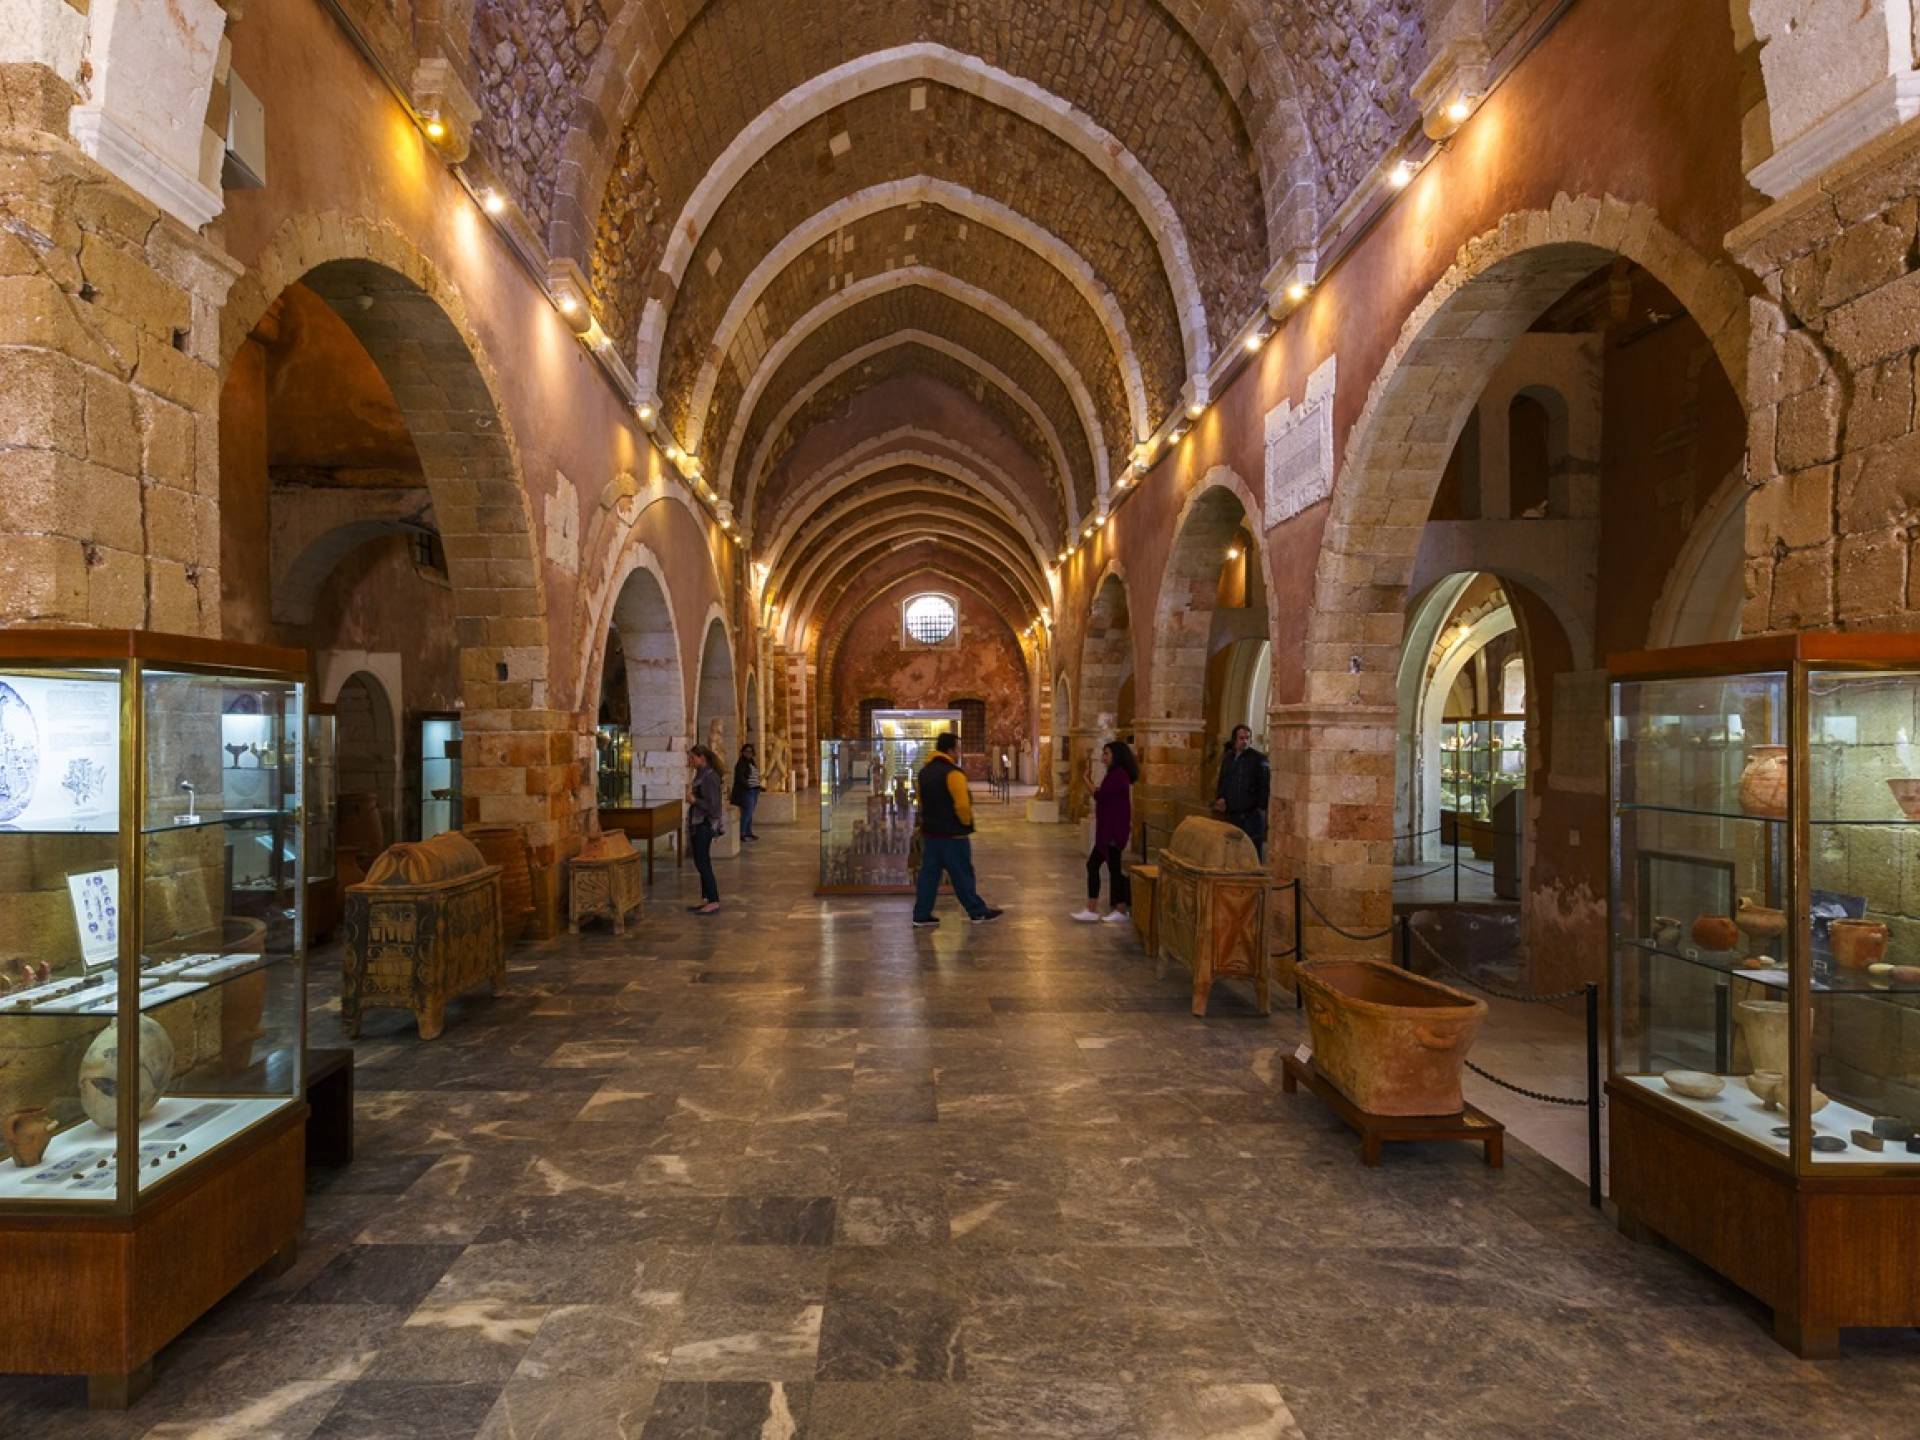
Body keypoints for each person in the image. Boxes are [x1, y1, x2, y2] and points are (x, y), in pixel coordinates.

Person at [911, 731, 1003, 928]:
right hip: (953, 835)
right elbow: (962, 805)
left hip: (931, 833)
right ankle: (977, 911)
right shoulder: (954, 773)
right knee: (962, 874)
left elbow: (920, 800)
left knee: (929, 876)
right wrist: (965, 822)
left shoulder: (924, 773)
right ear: (950, 750)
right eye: (958, 748)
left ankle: (921, 914)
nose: (959, 752)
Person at [1073, 740, 1138, 922]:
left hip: (1112, 832)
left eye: (1106, 754)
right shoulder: (1116, 775)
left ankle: (1098, 909)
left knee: (1098, 866)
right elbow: (1104, 795)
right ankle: (1116, 909)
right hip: (1110, 831)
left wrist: (1085, 779)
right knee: (1110, 868)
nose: (1103, 758)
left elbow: (1100, 795)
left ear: (1117, 755)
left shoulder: (1119, 776)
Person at [1213, 723, 1271, 859]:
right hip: (1232, 812)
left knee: (1252, 850)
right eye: (1241, 738)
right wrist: (1221, 797)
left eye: (1247, 738)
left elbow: (1265, 785)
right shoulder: (1228, 759)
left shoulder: (1258, 759)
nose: (1245, 741)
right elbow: (1223, 780)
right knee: (1233, 849)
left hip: (1251, 814)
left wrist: (1260, 807)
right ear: (1235, 740)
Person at [686, 745, 724, 914]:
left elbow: (713, 807)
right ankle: (706, 898)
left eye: (693, 758)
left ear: (702, 758)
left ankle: (714, 900)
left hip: (704, 824)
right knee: (700, 861)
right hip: (698, 824)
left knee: (703, 863)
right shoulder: (701, 774)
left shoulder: (710, 777)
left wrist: (695, 801)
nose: (690, 761)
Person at [731, 742, 763, 840]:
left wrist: (758, 786)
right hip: (747, 791)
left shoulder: (751, 762)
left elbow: (753, 776)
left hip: (754, 790)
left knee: (750, 813)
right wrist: (748, 786)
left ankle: (748, 832)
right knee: (747, 813)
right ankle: (742, 834)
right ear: (743, 752)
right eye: (746, 751)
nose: (748, 753)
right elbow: (740, 778)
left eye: (750, 752)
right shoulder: (741, 763)